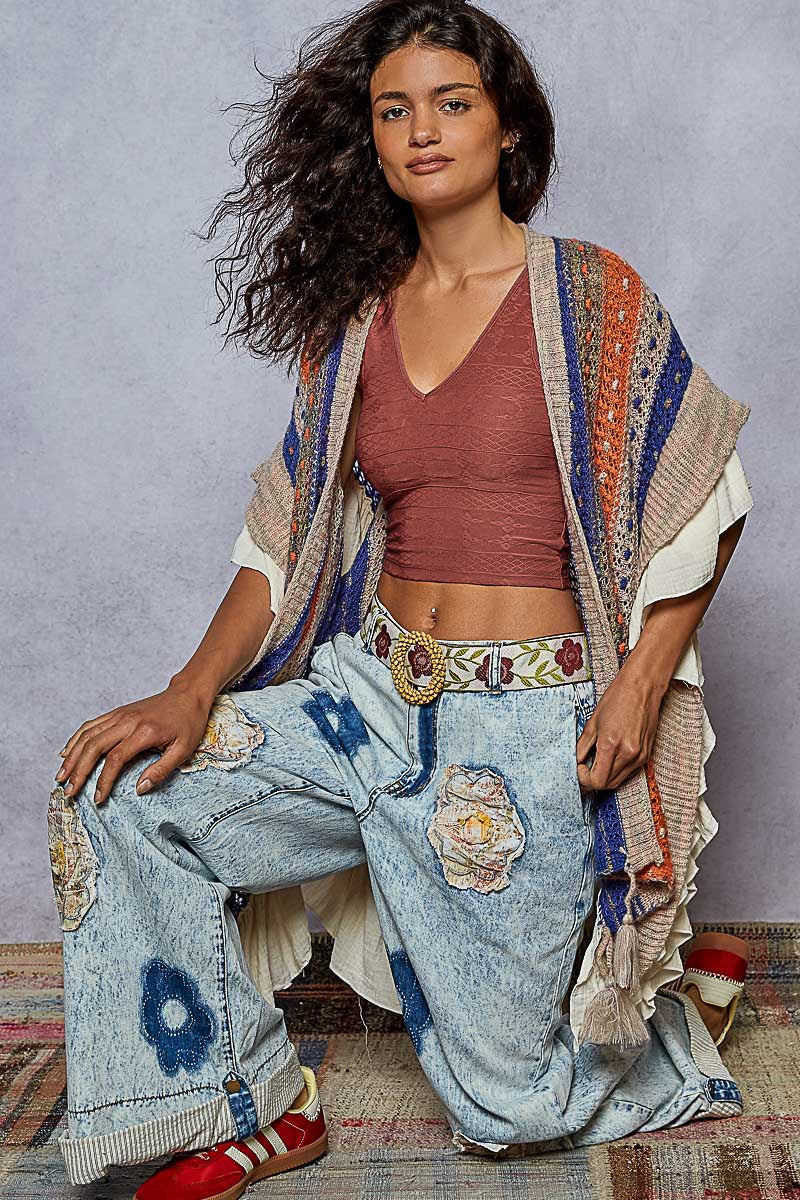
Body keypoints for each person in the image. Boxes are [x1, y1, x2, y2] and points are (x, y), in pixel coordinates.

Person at [47, 0, 754, 1194]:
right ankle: (250, 1103)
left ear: (506, 132)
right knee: (117, 792)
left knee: (510, 1109)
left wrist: (634, 685)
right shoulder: (354, 322)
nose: (421, 130)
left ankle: (665, 1011)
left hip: (524, 724)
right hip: (363, 698)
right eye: (393, 110)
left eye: (451, 102)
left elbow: (704, 494)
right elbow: (280, 541)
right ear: (369, 143)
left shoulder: (588, 296)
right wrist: (185, 693)